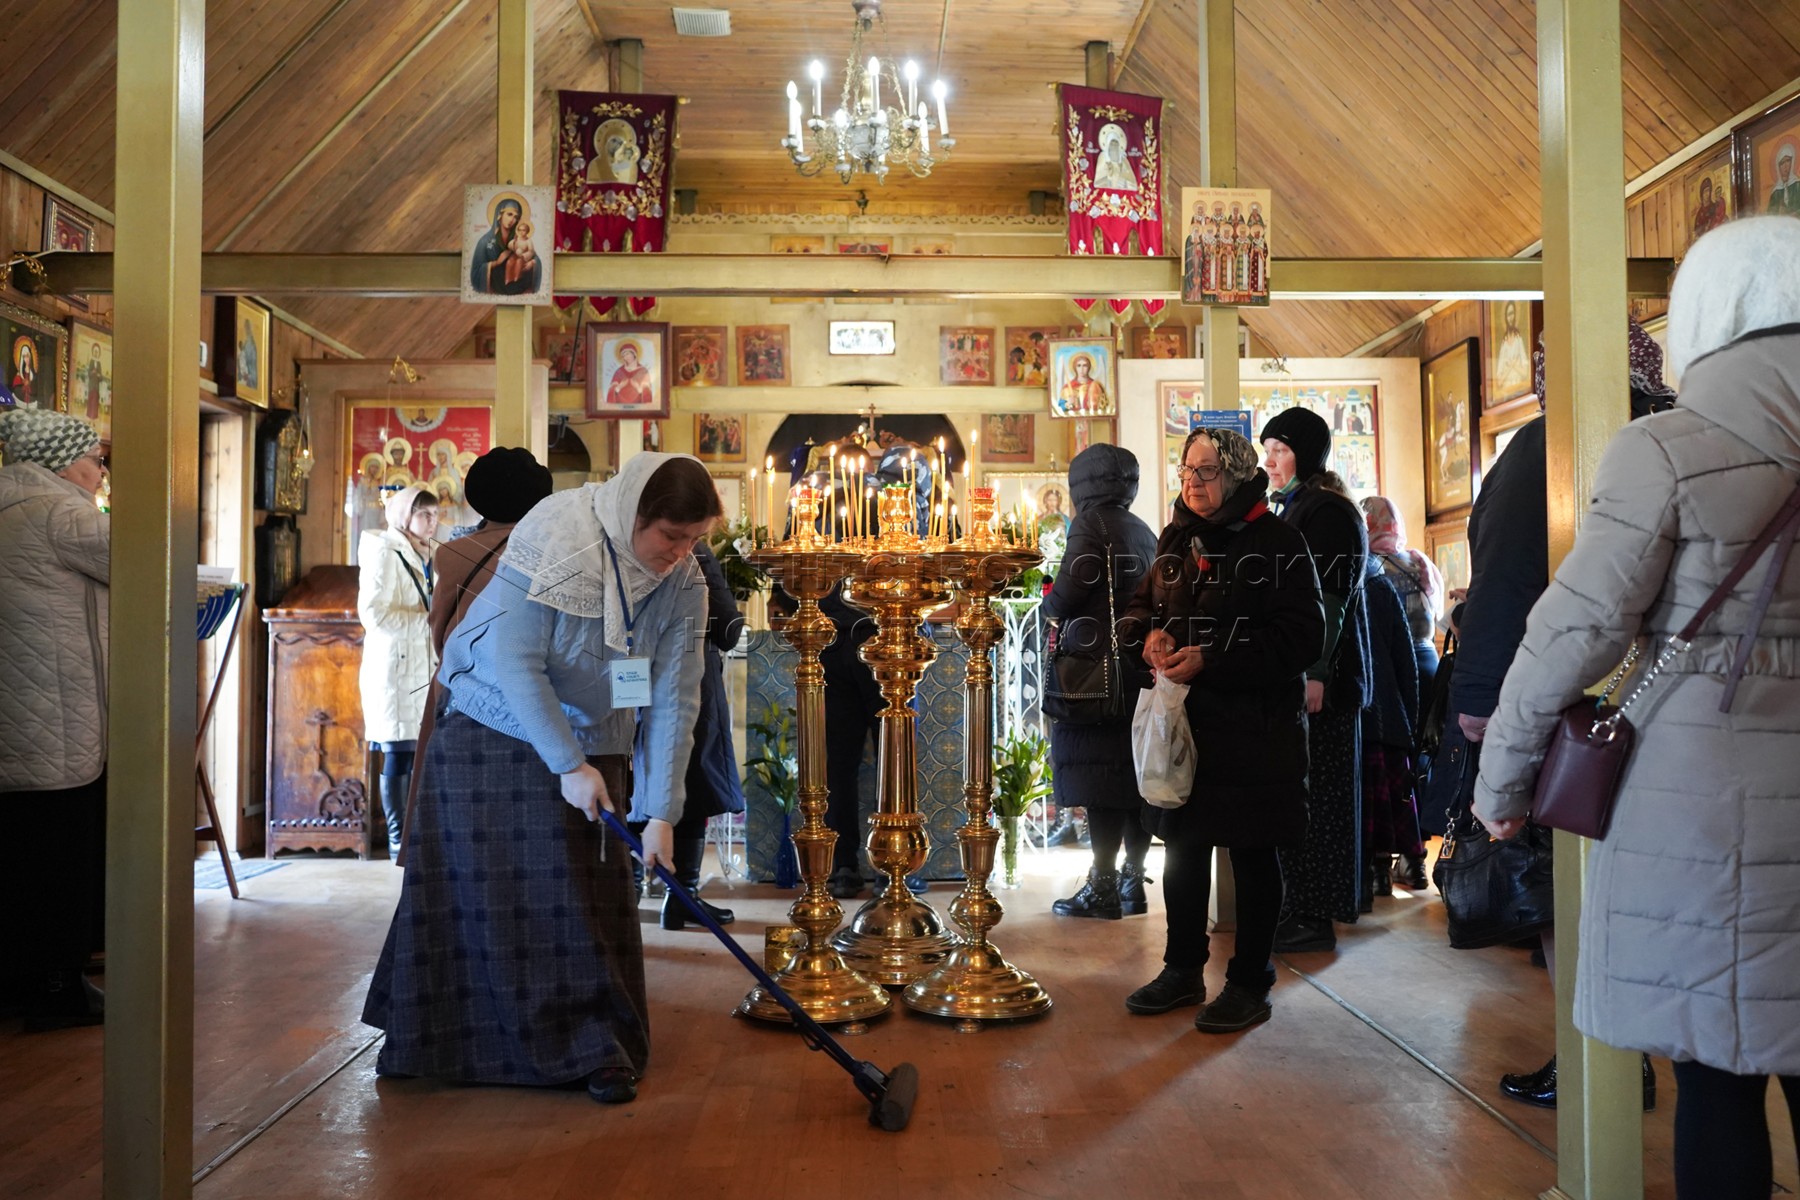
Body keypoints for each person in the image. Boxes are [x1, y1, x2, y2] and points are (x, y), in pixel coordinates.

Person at [1475, 217, 1800, 1197]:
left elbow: (1576, 629)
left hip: (1702, 813)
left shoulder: (1666, 449)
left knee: (1718, 1073)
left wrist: (1504, 780)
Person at [364, 452, 719, 1106]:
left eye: (694, 539)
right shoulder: (559, 532)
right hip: (491, 722)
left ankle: (596, 1046)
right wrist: (567, 764)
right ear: (634, 515)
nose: (680, 553)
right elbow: (515, 658)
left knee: (585, 891)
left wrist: (662, 812)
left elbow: (675, 694)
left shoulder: (684, 581)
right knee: (494, 893)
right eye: (671, 536)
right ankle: (438, 1042)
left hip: (593, 728)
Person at [1451, 318, 1673, 1114]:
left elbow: (1508, 581)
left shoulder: (1547, 447)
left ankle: (1599, 1060)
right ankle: (1634, 1051)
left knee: (1561, 889)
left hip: (1571, 707)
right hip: (1673, 706)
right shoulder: (1674, 438)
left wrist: (1483, 700)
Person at [1118, 427, 1323, 1031]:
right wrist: (1148, 637)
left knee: (1254, 856)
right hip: (1187, 729)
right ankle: (1182, 970)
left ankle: (1250, 982)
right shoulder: (1177, 537)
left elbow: (1300, 638)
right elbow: (1140, 607)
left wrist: (1212, 657)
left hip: (1255, 731)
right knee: (1182, 851)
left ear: (1234, 475)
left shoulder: (1277, 541)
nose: (1193, 482)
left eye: (1206, 471)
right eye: (1187, 470)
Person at [0, 408, 109, 1030]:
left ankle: (19, 981)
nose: (100, 471)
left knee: (19, 850)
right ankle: (58, 985)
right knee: (61, 856)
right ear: (63, 463)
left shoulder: (12, 503)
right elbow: (150, 562)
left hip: (20, 709)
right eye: (95, 459)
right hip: (59, 711)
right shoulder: (62, 512)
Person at [399, 446, 554, 865]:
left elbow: (440, 631)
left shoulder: (454, 554)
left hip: (461, 691)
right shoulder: (551, 552)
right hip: (534, 698)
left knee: (458, 821)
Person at [1261, 406, 1371, 953]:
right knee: (1301, 797)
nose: (1269, 461)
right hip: (1306, 674)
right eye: (1267, 450)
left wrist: (1315, 673)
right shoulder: (1301, 506)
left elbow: (1329, 599)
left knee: (1321, 802)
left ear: (1304, 454)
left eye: (1280, 450)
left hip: (1324, 680)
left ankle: (1314, 916)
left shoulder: (1325, 512)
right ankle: (1299, 907)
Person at [1043, 445, 1158, 920]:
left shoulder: (1090, 525)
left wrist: (1049, 603)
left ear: (1081, 483)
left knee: (1100, 784)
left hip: (1093, 678)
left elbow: (1069, 592)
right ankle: (1133, 882)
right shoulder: (1143, 528)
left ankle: (1102, 888)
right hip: (1137, 673)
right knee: (1132, 782)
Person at [644, 539, 746, 931]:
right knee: (690, 780)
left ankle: (626, 893)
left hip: (625, 680)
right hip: (689, 681)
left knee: (631, 780)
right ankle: (681, 896)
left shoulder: (613, 539)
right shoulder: (691, 549)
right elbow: (727, 629)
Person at [356, 485, 438, 860]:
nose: (432, 522)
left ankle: (415, 832)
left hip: (421, 664)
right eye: (425, 515)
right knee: (398, 749)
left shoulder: (426, 552)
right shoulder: (385, 551)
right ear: (405, 516)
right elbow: (374, 614)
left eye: (436, 515)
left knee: (419, 748)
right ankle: (396, 835)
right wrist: (427, 622)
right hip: (395, 666)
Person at [606, 341, 654, 407]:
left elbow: (647, 390)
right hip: (620, 406)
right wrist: (620, 387)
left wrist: (638, 388)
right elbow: (612, 389)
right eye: (623, 356)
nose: (626, 357)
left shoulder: (643, 371)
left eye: (627, 354)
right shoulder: (619, 371)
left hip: (638, 407)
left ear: (634, 354)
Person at [1766, 141, 1799, 215]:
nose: (1785, 166)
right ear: (1778, 167)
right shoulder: (1775, 193)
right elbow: (1769, 217)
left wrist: (1792, 215)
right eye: (1782, 163)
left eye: (1788, 161)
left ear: (1792, 162)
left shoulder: (1798, 186)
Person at [1691, 174, 1727, 240]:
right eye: (1705, 191)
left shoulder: (1715, 206)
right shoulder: (1699, 215)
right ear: (1701, 194)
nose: (1707, 194)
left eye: (1709, 191)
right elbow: (1697, 233)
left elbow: (1721, 217)